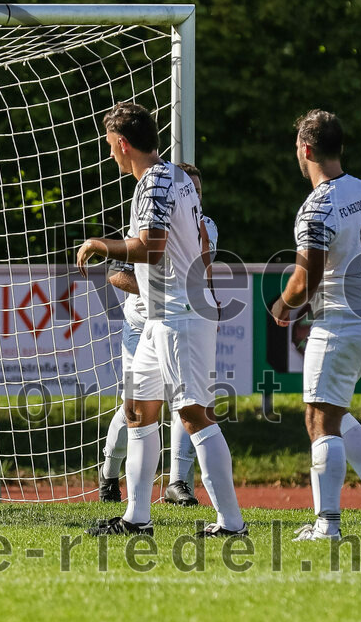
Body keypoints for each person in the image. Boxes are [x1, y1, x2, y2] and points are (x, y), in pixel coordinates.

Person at [77, 102, 245, 537]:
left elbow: (151, 248)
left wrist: (102, 244)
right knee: (138, 411)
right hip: (160, 315)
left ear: (123, 143)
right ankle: (136, 517)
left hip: (180, 312)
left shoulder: (154, 182)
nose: (110, 153)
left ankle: (231, 523)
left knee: (192, 414)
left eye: (110, 145)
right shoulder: (173, 176)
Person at [271, 109, 361, 540]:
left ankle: (326, 525)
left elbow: (304, 279)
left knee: (317, 420)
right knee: (334, 409)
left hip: (341, 323)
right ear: (338, 147)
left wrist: (282, 305)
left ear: (305, 149)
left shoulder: (318, 205)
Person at [99, 162, 217, 508]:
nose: (191, 196)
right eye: (187, 190)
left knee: (187, 402)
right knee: (135, 406)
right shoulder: (149, 218)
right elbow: (115, 274)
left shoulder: (206, 226)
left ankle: (178, 482)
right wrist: (152, 291)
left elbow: (199, 269)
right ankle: (109, 473)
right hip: (141, 323)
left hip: (177, 317)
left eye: (196, 192)